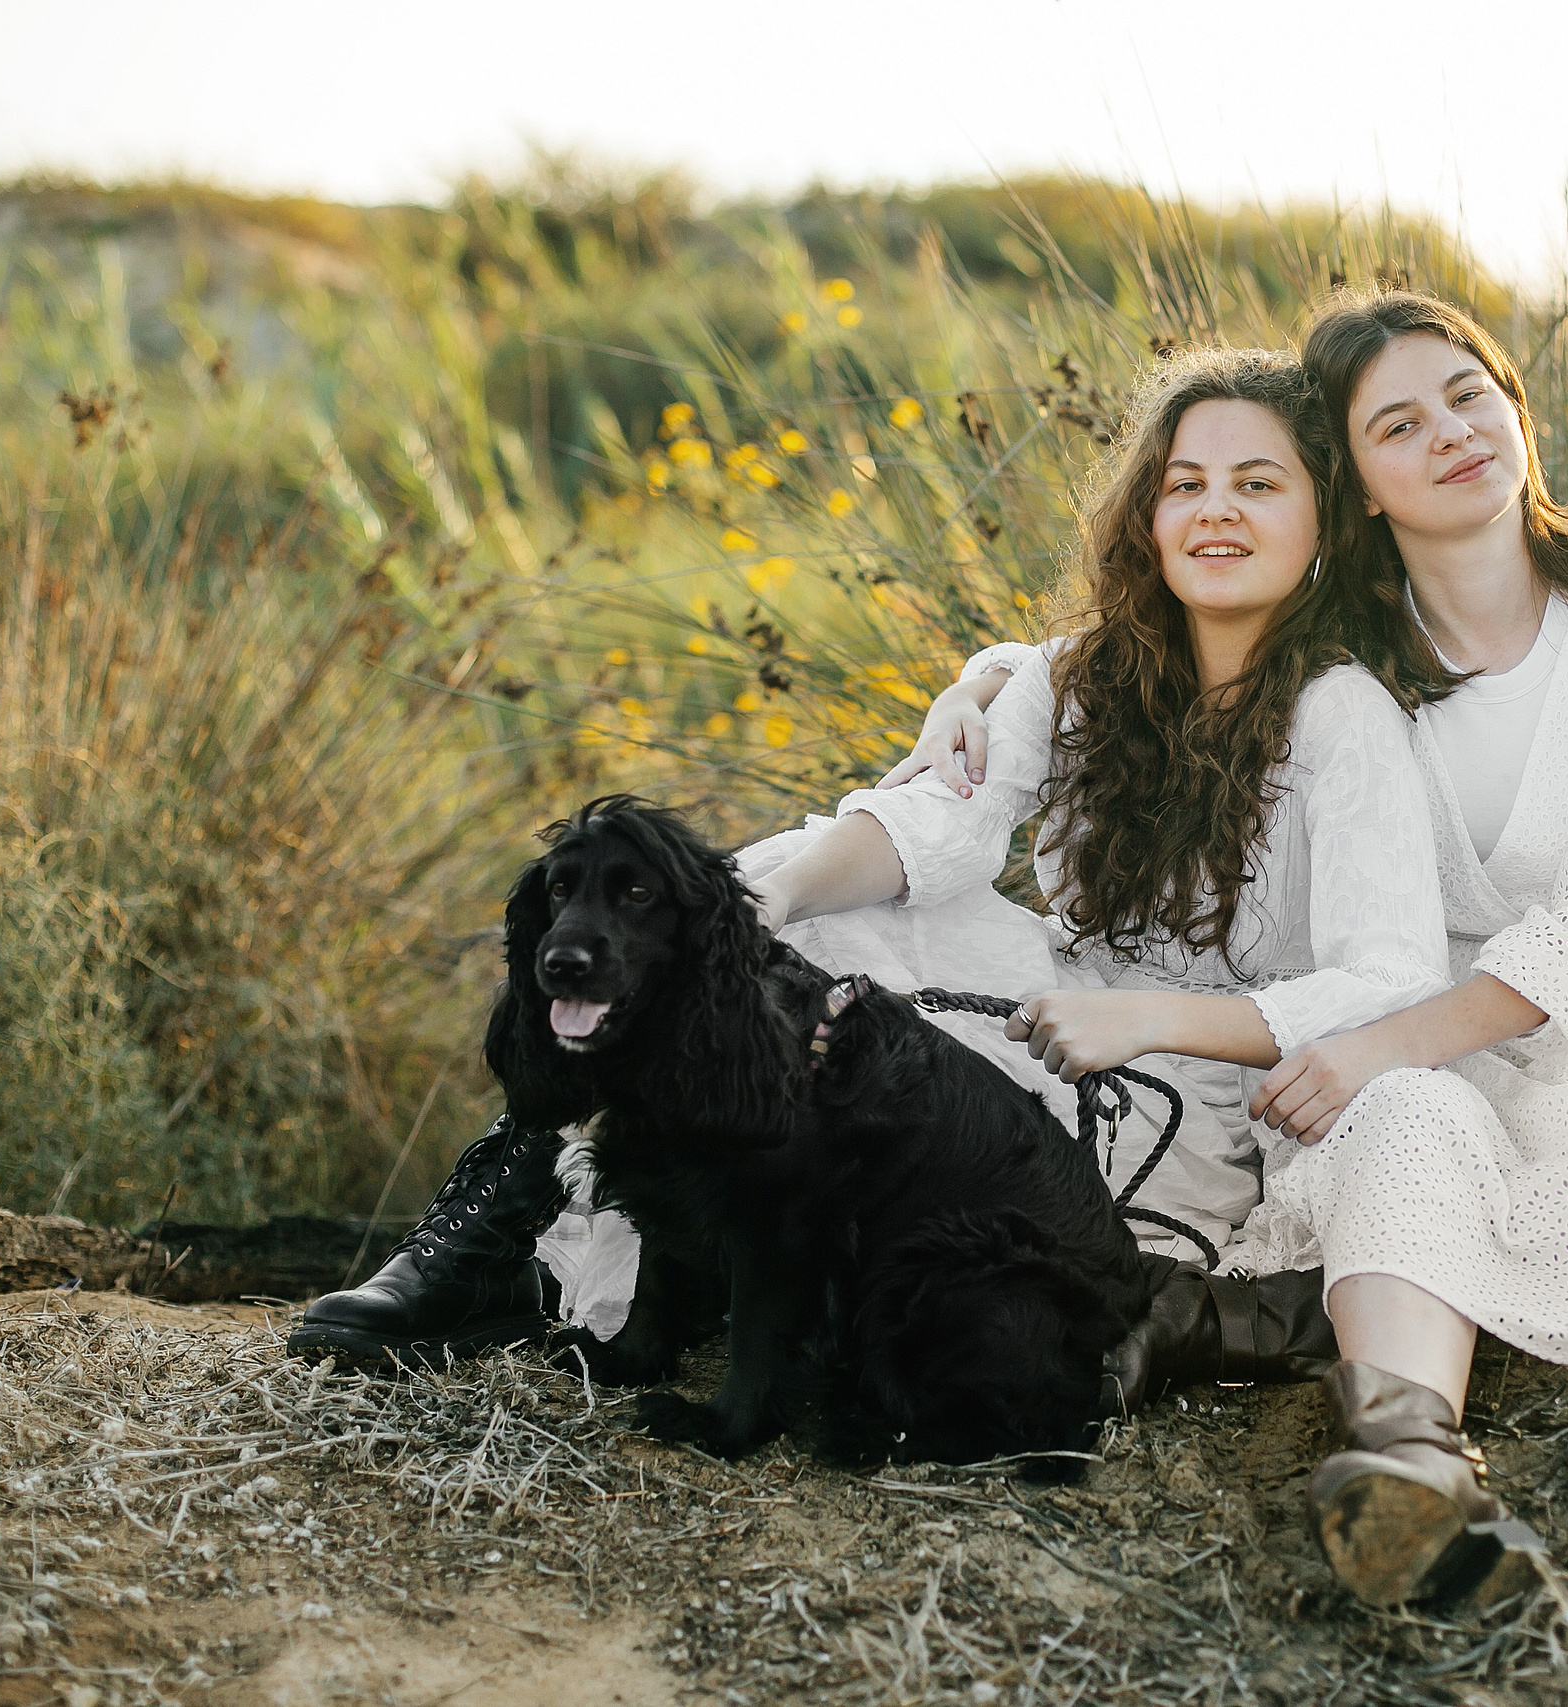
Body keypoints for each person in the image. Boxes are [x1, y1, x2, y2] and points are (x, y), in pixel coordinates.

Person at [293, 348, 1454, 1446]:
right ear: (1146, 515)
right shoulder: (1080, 674)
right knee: (805, 925)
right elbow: (937, 828)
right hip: (1065, 987)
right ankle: (510, 1211)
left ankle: (648, 1263)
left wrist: (1146, 1020)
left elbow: (1388, 976)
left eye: (1259, 485)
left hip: (1197, 1077)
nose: (1216, 511)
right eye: (1185, 483)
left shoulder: (1341, 714)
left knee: (854, 1060)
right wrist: (760, 898)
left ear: (1319, 520)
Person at [888, 290, 1568, 1610]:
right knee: (1404, 1127)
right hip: (1379, 1026)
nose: (1449, 434)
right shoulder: (1334, 641)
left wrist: (1389, 1037)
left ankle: (1240, 1313)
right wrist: (977, 682)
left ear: (1516, 406)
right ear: (1354, 482)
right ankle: (1414, 1459)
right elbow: (1117, 639)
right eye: (1396, 423)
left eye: (1468, 394)